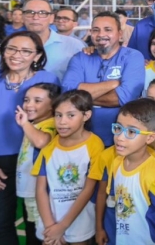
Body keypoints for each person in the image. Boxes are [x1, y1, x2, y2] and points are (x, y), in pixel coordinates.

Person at [0, 31, 59, 245]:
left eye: (26, 51)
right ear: (3, 51)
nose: (16, 55)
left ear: (37, 56)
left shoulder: (49, 80)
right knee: (0, 220)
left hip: (37, 159)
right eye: (11, 49)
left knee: (36, 221)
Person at [62, 12, 144, 147]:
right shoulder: (80, 57)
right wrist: (113, 84)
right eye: (96, 30)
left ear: (120, 34)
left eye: (108, 29)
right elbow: (67, 92)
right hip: (79, 139)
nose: (101, 34)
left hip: (119, 140)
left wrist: (80, 97)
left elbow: (124, 98)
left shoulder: (132, 56)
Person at [32, 90, 104, 244]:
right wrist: (51, 227)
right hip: (50, 220)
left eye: (70, 115)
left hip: (79, 221)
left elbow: (89, 189)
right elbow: (40, 189)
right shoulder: (49, 146)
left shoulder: (95, 145)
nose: (62, 121)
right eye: (58, 115)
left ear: (86, 116)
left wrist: (63, 226)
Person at [106, 98, 155, 244]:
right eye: (118, 128)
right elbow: (113, 204)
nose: (120, 137)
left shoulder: (152, 173)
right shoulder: (116, 162)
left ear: (150, 137)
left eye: (131, 132)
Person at [15, 83, 61, 245]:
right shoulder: (34, 124)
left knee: (43, 234)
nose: (29, 105)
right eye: (26, 100)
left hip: (39, 193)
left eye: (37, 101)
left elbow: (41, 141)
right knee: (34, 230)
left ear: (52, 106)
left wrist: (25, 123)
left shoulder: (50, 123)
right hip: (29, 190)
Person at [22, 0, 86, 80]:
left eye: (42, 13)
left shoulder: (75, 45)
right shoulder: (11, 45)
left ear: (52, 18)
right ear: (23, 17)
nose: (35, 17)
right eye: (30, 12)